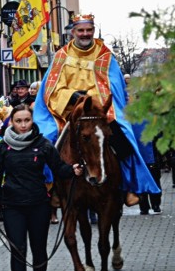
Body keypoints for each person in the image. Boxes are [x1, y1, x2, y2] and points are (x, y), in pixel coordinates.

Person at [34, 13, 160, 203]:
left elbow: (114, 87)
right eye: (81, 30)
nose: (85, 34)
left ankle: (129, 186)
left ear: (94, 31)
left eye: (89, 30)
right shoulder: (61, 56)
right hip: (68, 112)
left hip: (98, 111)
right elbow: (52, 88)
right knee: (46, 139)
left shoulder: (105, 55)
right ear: (73, 33)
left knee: (123, 135)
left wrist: (91, 100)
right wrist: (72, 95)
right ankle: (52, 188)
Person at [0, 104, 83, 271]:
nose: (22, 125)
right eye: (18, 121)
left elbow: (58, 168)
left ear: (32, 121)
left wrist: (72, 169)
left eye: (26, 121)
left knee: (39, 249)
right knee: (17, 249)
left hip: (38, 203)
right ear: (12, 122)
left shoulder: (43, 144)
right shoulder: (3, 147)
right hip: (12, 205)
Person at [132, 122, 162, 215]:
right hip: (150, 157)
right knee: (154, 180)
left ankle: (144, 207)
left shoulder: (131, 120)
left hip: (140, 157)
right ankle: (155, 205)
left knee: (141, 182)